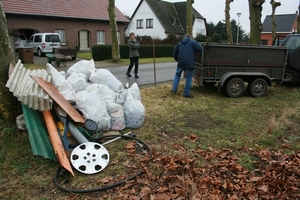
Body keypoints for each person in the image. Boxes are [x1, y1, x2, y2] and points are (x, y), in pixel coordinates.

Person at [171, 34, 202, 98]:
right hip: (189, 63)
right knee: (188, 78)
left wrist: (178, 60)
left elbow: (174, 54)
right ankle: (186, 93)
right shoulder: (193, 42)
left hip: (181, 62)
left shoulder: (179, 44)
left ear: (184, 38)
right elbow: (200, 49)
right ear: (190, 37)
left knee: (177, 75)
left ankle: (174, 89)